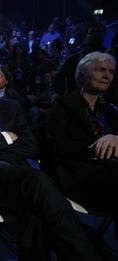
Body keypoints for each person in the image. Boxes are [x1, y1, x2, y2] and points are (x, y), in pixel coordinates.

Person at [0, 55, 102, 261]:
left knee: (34, 211)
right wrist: (5, 137)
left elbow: (29, 145)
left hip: (14, 176)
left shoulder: (12, 107)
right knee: (36, 181)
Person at [47, 52, 118, 236]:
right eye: (101, 70)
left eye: (111, 71)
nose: (107, 75)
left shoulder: (110, 110)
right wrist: (97, 145)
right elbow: (56, 147)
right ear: (83, 73)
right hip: (78, 175)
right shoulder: (63, 104)